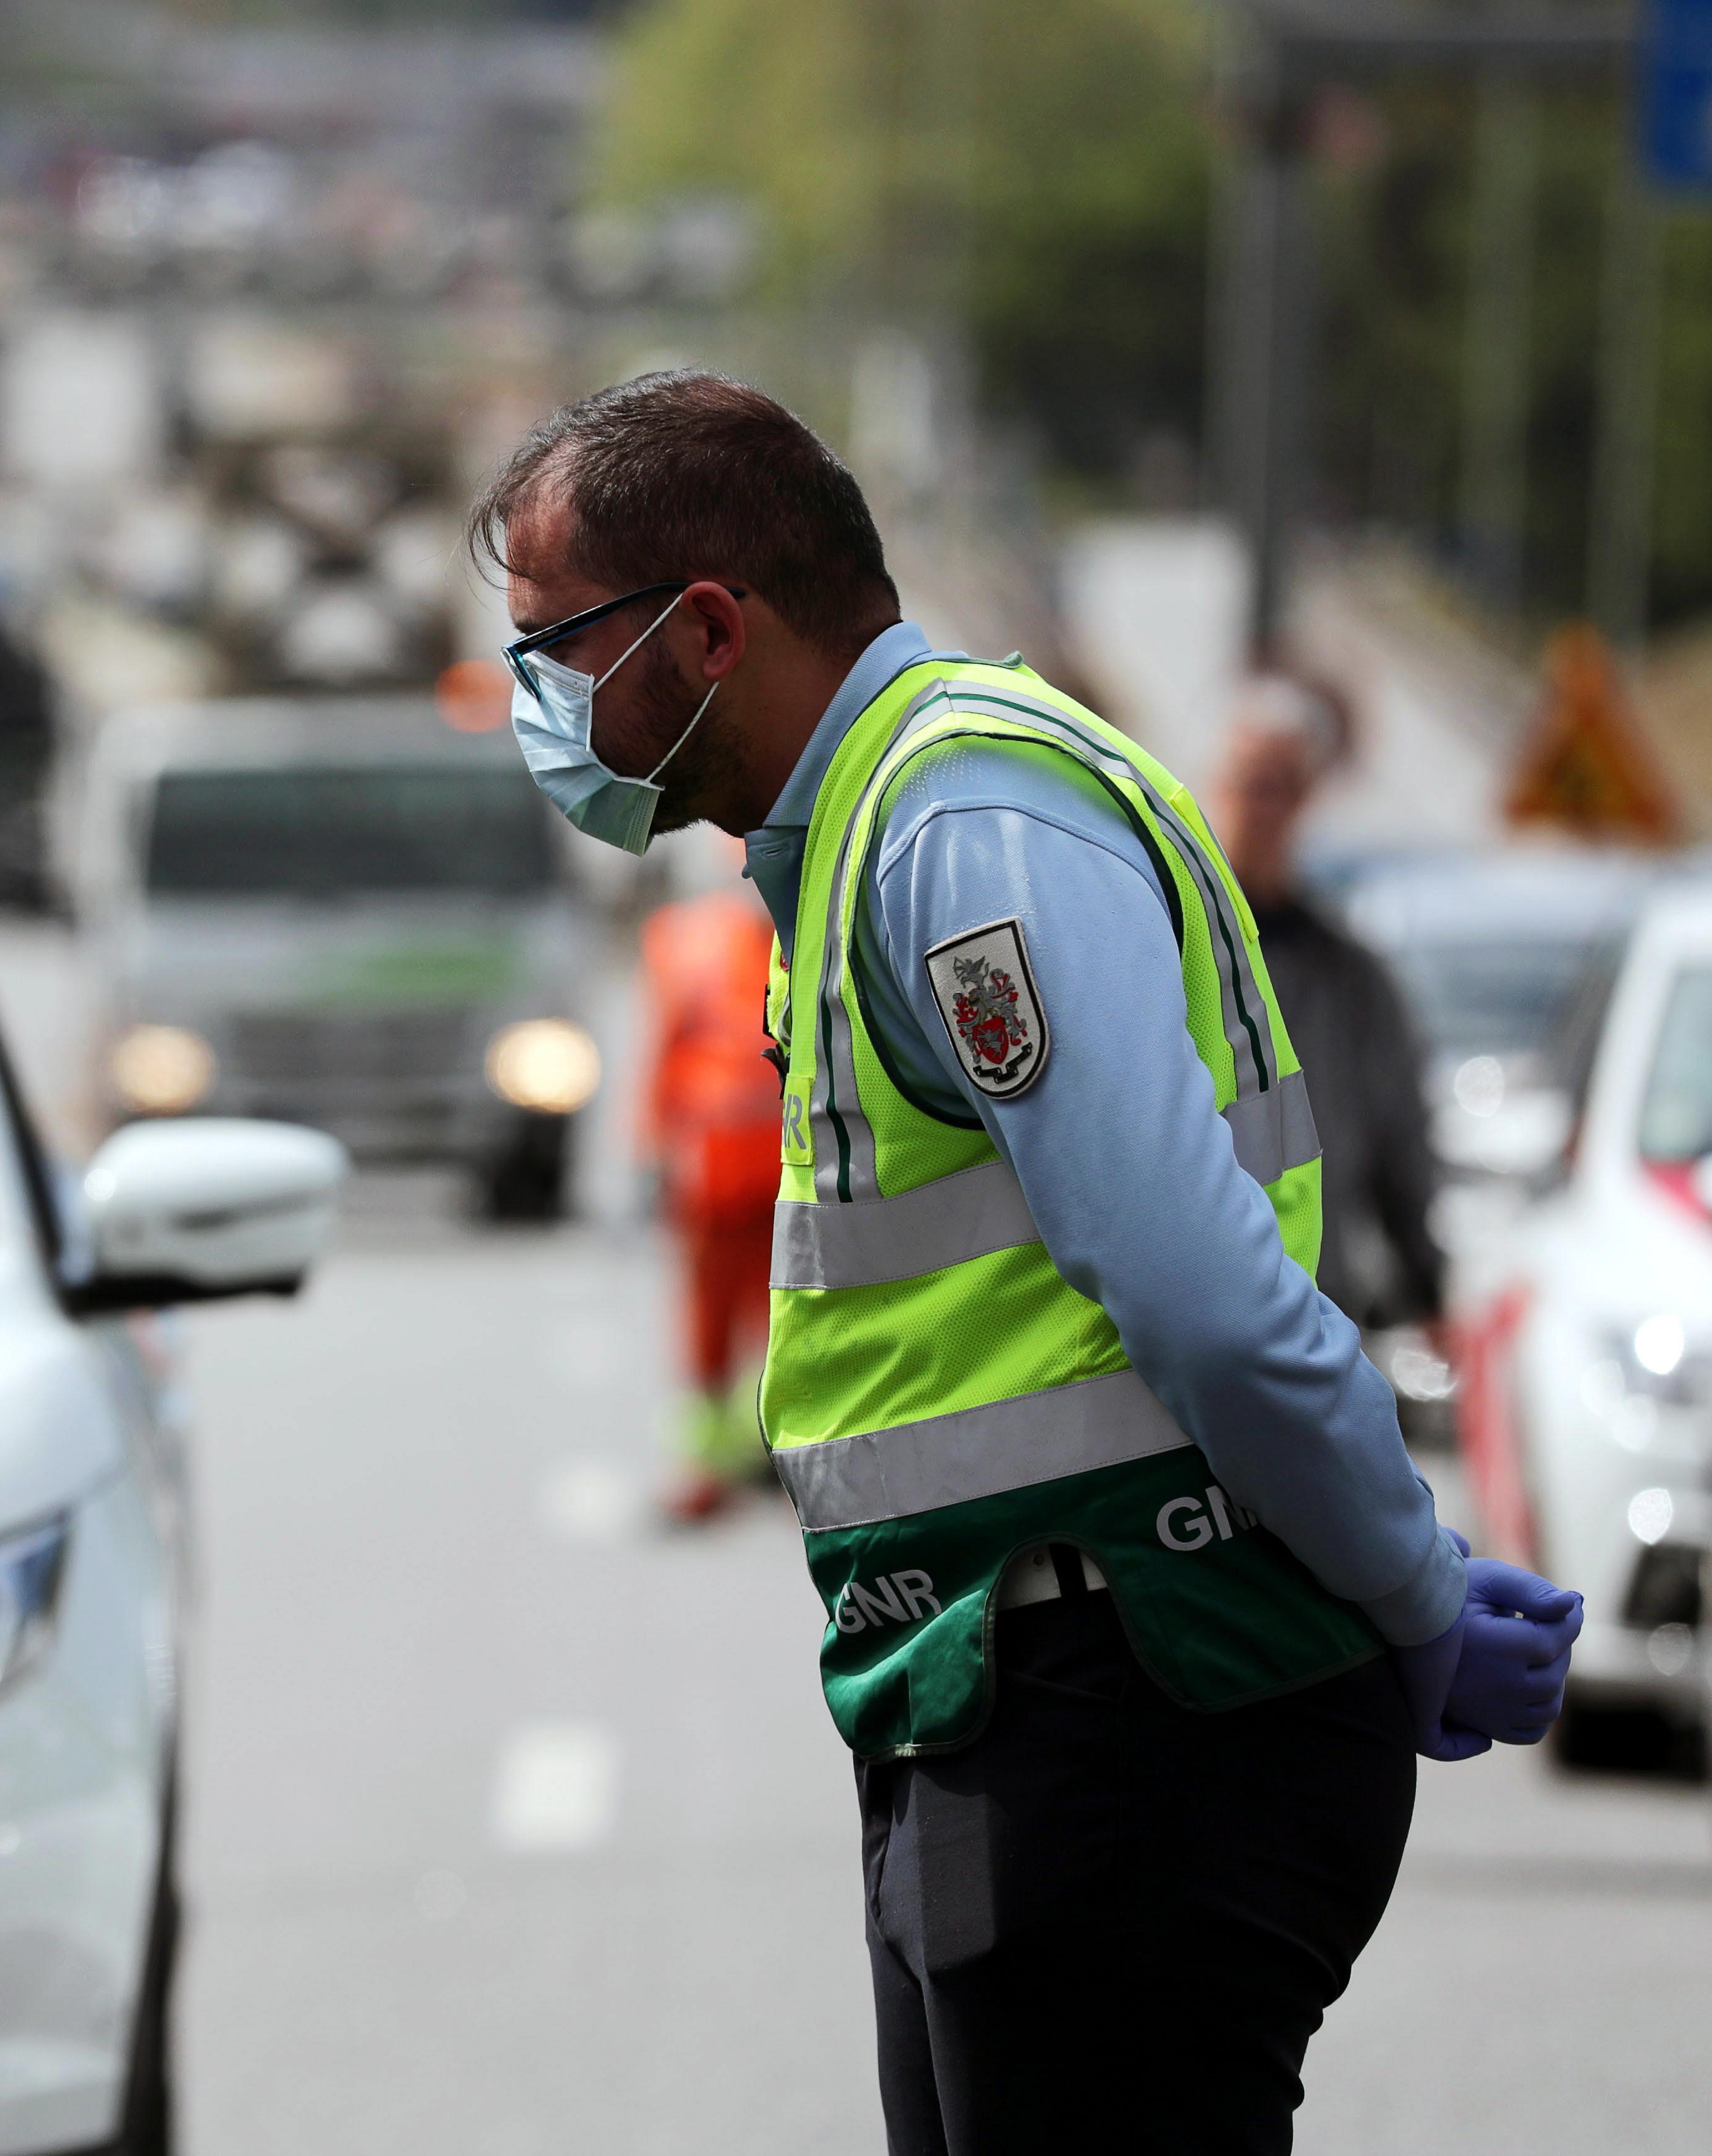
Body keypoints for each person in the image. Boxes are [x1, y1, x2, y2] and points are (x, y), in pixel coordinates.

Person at [471, 370, 1582, 2154]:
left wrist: (1412, 1587)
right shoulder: (852, 835)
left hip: (1128, 1710)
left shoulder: (956, 825)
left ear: (697, 629)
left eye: (552, 650)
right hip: (1024, 1699)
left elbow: (1198, 1288)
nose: (533, 706)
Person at [1210, 681, 1448, 1332]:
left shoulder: (1346, 974)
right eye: (1252, 781)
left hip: (1317, 1302)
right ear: (1216, 784)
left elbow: (1397, 1130)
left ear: (1307, 797)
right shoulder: (1172, 948)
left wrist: (1427, 1286)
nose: (1265, 806)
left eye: (1283, 785)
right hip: (1194, 1299)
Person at [639, 883, 786, 1519]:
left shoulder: (804, 938)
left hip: (789, 1180)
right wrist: (652, 1150)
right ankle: (709, 1468)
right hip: (716, 1180)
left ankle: (787, 1463)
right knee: (710, 1327)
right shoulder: (685, 939)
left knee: (791, 1324)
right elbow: (667, 1053)